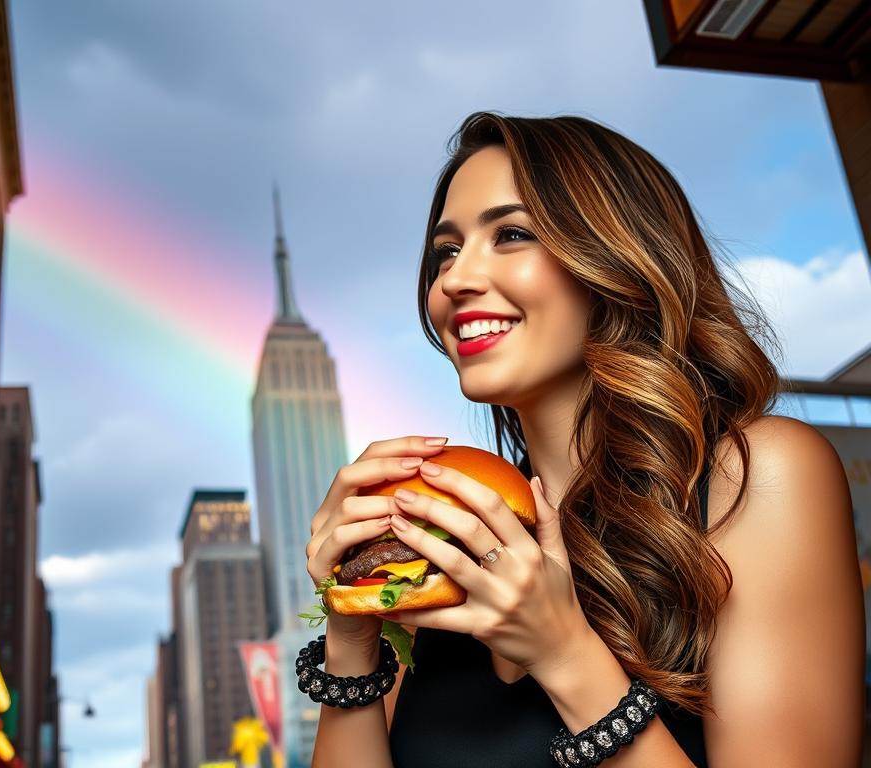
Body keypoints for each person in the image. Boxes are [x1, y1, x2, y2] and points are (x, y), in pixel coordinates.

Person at [304, 111, 864, 767]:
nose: (453, 280)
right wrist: (351, 634)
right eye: (445, 252)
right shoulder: (445, 540)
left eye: (510, 235)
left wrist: (563, 653)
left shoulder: (757, 476)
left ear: (618, 256)